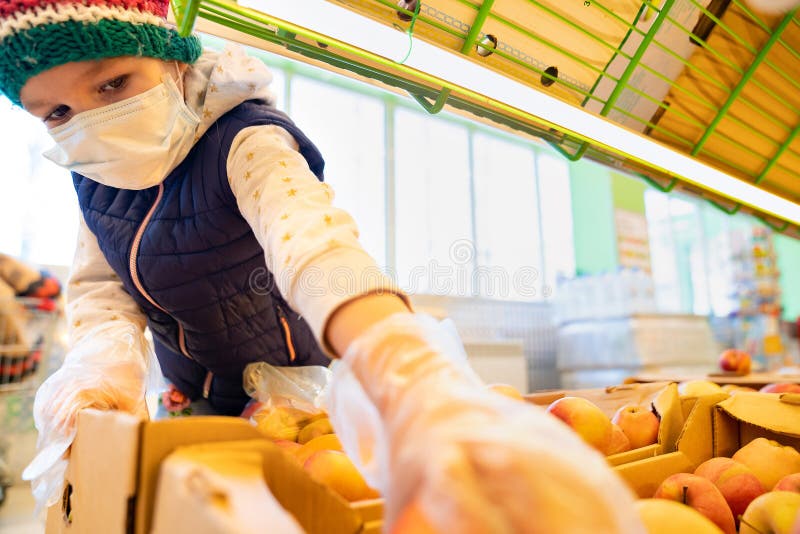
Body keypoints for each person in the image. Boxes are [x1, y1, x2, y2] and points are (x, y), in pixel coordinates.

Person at [0, 1, 646, 530]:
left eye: (113, 83)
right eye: (57, 112)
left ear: (171, 59)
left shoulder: (245, 139)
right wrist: (95, 373)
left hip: (304, 408)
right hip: (194, 407)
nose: (94, 120)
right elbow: (102, 292)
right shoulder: (95, 177)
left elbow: (313, 248)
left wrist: (408, 373)